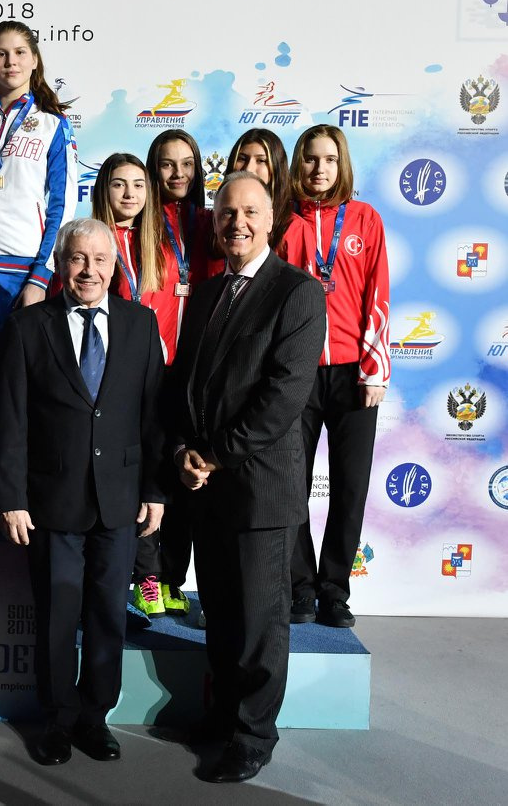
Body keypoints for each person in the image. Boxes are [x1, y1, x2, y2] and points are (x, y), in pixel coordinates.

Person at [169, 171, 326, 782]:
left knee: (261, 625)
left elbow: (283, 396)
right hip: (206, 487)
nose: (236, 223)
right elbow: (185, 381)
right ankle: (224, 715)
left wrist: (215, 454)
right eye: (225, 212)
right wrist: (184, 448)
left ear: (271, 221)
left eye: (249, 212)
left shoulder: (298, 293)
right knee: (224, 616)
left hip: (260, 486)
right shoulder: (206, 293)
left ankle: (254, 736)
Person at [0, 217, 166, 766]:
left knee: (107, 615)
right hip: (50, 502)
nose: (88, 270)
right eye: (77, 259)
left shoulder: (141, 324)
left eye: (99, 260)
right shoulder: (28, 327)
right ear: (61, 264)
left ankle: (96, 717)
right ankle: (56, 719)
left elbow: (154, 416)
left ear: (115, 265)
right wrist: (12, 497)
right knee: (56, 615)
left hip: (119, 499)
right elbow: (11, 420)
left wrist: (156, 490)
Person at [284, 125, 390, 628]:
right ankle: (300, 588)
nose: (319, 168)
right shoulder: (283, 222)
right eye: (310, 158)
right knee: (291, 485)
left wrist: (374, 370)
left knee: (350, 487)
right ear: (298, 164)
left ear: (342, 163)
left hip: (352, 374)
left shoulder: (366, 220)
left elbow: (378, 293)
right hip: (297, 375)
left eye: (329, 159)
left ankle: (335, 591)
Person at [89, 152, 198, 621]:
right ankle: (144, 577)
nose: (130, 193)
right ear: (103, 191)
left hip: (168, 372)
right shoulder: (92, 241)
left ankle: (164, 576)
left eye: (137, 184)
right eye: (119, 184)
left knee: (164, 471)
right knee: (132, 477)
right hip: (116, 380)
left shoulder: (162, 241)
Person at [0, 20, 79, 346]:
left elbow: (62, 203)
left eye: (19, 52)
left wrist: (42, 274)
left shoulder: (52, 124)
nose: (11, 62)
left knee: (15, 377)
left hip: (23, 270)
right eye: (1, 54)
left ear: (34, 60)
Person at [225, 128, 311, 261]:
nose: (248, 168)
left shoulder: (294, 228)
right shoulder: (218, 222)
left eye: (261, 161)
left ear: (276, 168)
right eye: (242, 158)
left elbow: (303, 281)